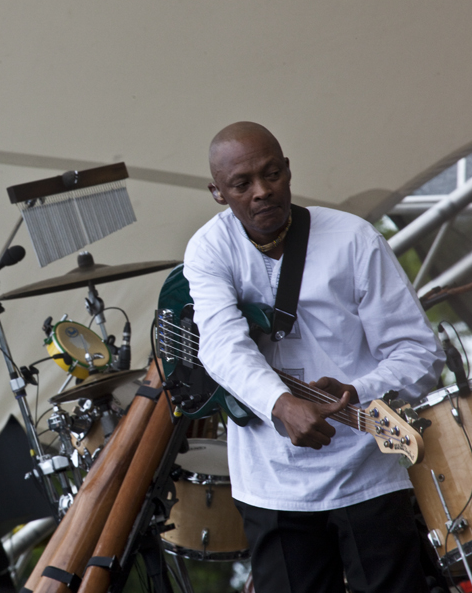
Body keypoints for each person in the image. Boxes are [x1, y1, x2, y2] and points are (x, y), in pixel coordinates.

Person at [182, 122, 445, 592]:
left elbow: (420, 351)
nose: (263, 192)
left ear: (287, 170)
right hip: (270, 484)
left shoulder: (353, 239)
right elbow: (221, 342)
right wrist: (282, 405)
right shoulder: (210, 248)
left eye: (273, 174)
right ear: (218, 193)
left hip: (368, 468)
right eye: (242, 184)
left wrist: (356, 391)